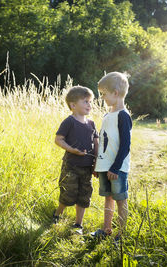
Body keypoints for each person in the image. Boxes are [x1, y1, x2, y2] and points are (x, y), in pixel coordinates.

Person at [91, 72, 132, 241]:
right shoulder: (107, 115)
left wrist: (115, 167)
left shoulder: (123, 115)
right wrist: (97, 165)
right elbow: (103, 140)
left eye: (104, 94)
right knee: (107, 197)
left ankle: (121, 235)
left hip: (117, 168)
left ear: (115, 93)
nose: (102, 97)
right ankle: (106, 229)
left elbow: (125, 145)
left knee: (120, 199)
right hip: (104, 166)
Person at [53, 86, 99, 234]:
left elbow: (96, 143)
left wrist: (96, 162)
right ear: (73, 105)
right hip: (71, 166)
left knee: (84, 195)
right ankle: (57, 214)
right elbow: (58, 140)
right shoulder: (69, 122)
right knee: (68, 193)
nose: (89, 105)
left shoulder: (91, 123)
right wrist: (72, 149)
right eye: (85, 102)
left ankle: (78, 224)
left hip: (87, 167)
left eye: (90, 102)